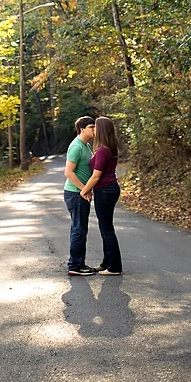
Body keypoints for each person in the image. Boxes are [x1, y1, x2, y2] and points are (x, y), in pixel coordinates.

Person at [80, 116, 122, 275]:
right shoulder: (110, 147)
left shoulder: (103, 150)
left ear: (102, 130)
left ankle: (115, 267)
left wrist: (83, 190)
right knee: (106, 227)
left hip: (104, 190)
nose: (94, 130)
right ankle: (106, 263)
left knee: (106, 229)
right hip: (110, 189)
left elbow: (96, 176)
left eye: (96, 127)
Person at [63, 116, 97, 276]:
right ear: (82, 129)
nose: (94, 130)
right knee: (78, 229)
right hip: (76, 193)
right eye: (91, 127)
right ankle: (75, 266)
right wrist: (84, 190)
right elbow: (68, 172)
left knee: (80, 228)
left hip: (81, 193)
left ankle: (79, 263)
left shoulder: (86, 145)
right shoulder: (76, 146)